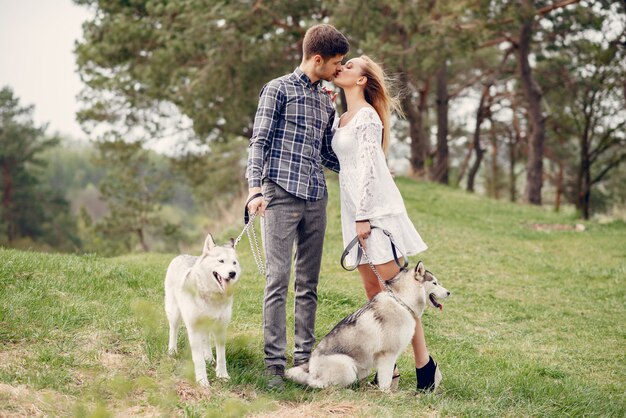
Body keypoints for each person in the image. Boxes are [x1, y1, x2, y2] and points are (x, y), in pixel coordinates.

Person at [245, 24, 349, 389]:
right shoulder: (277, 90)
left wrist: (364, 164)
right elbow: (258, 142)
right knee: (278, 279)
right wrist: (254, 189)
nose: (340, 69)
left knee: (309, 283)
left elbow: (325, 153)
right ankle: (274, 364)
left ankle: (305, 363)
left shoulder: (325, 99)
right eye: (336, 63)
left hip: (315, 197)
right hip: (279, 193)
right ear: (316, 59)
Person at [331, 55, 441, 392]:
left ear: (362, 80)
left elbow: (365, 170)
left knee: (397, 295)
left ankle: (425, 367)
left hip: (372, 214)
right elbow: (351, 161)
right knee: (372, 292)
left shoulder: (367, 118)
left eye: (350, 66)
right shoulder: (344, 117)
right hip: (353, 214)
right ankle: (388, 372)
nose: (342, 68)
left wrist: (364, 215)